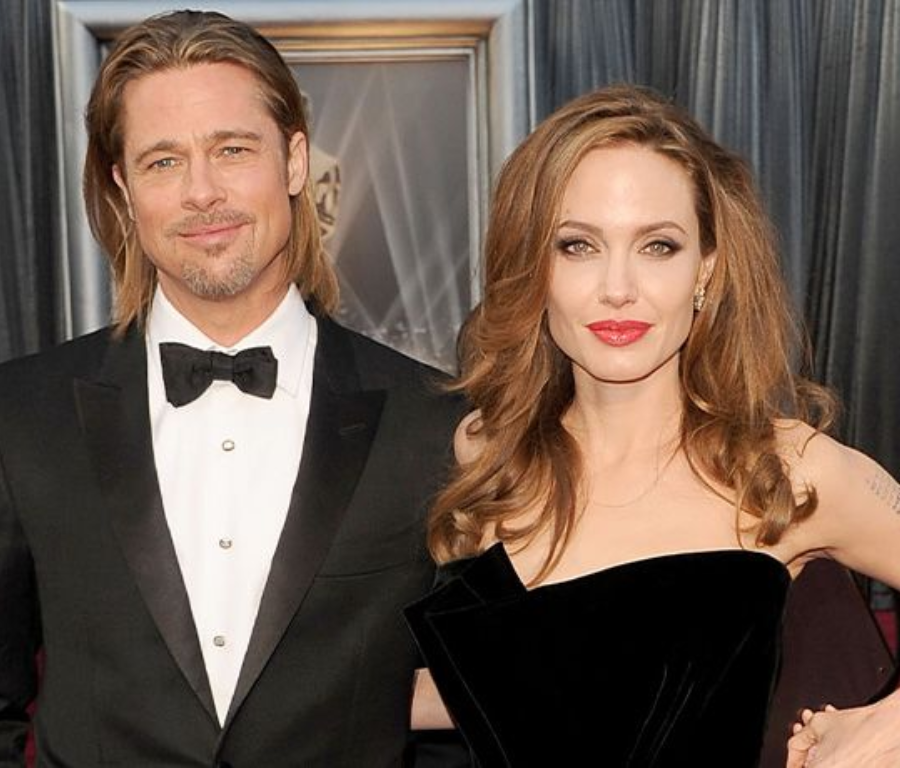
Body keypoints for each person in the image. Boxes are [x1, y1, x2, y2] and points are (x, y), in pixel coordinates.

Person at [0, 10, 462, 766]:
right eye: (163, 161)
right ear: (123, 188)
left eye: (232, 150)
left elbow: (468, 718)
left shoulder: (435, 422)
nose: (201, 192)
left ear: (294, 162)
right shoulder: (20, 417)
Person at [403, 84, 900, 767]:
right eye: (578, 246)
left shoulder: (784, 469)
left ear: (706, 269)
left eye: (658, 246)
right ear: (533, 267)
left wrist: (882, 728)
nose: (618, 288)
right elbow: (545, 690)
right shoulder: (485, 455)